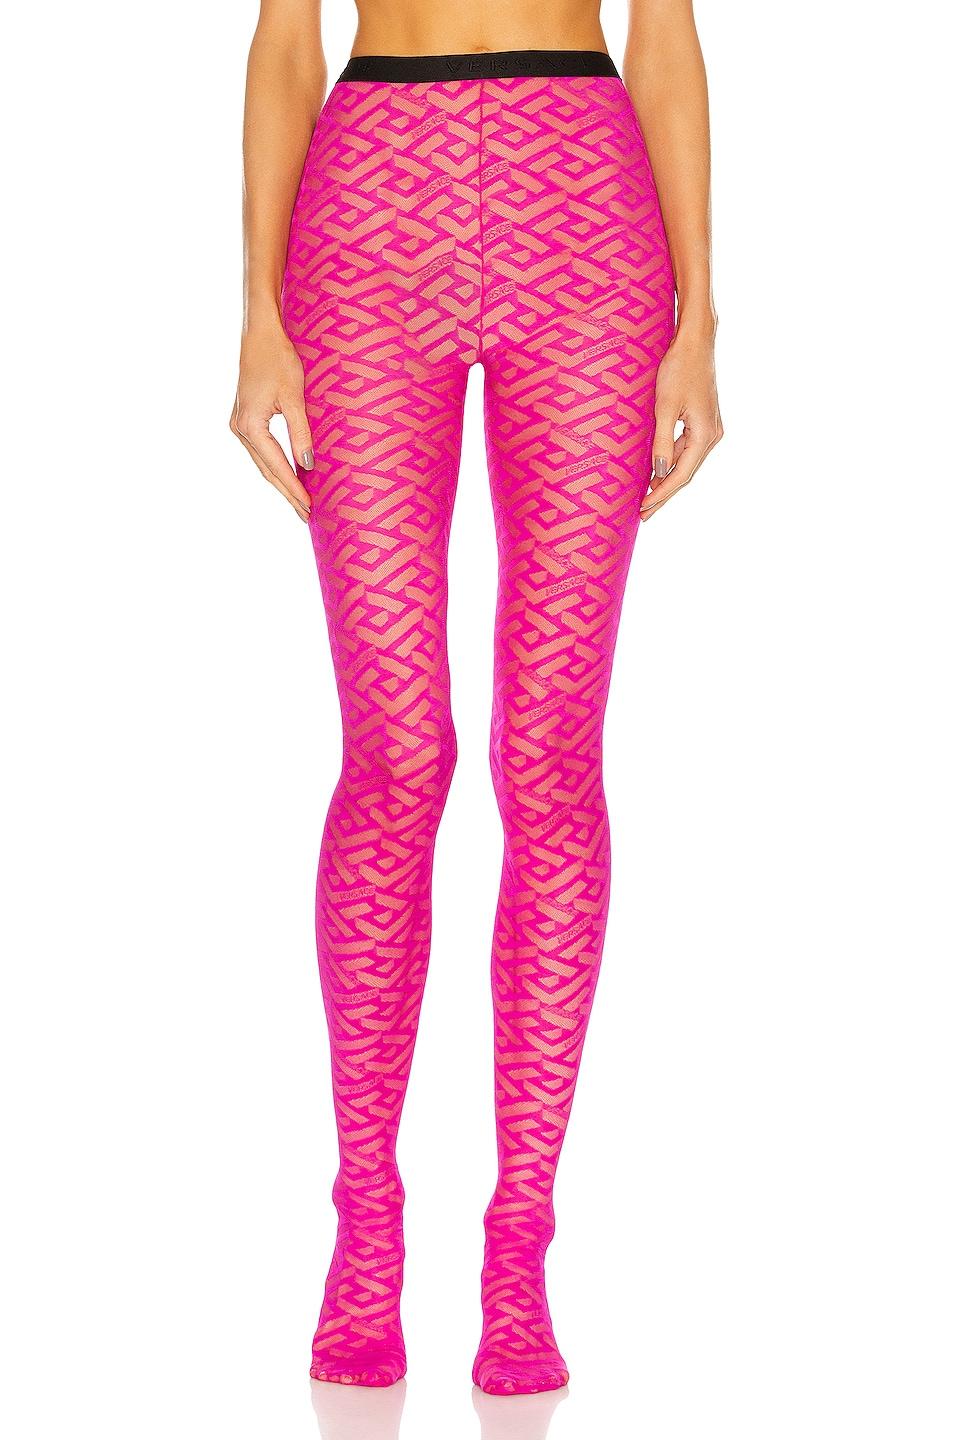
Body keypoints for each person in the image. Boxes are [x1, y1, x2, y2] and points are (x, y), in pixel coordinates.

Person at [230, 0, 722, 1396]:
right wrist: (258, 314)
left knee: (550, 759)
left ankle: (520, 1248)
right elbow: (284, 39)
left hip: (590, 217)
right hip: (368, 214)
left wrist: (699, 321)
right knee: (396, 754)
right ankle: (365, 1226)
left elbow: (665, 32)